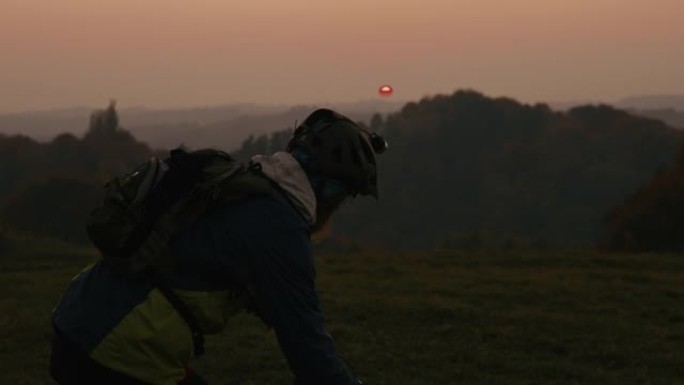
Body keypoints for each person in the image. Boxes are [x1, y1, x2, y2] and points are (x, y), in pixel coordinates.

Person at [49, 108, 388, 385]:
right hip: (118, 349)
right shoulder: (279, 228)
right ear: (329, 190)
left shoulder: (240, 184)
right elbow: (308, 347)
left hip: (81, 319)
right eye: (342, 198)